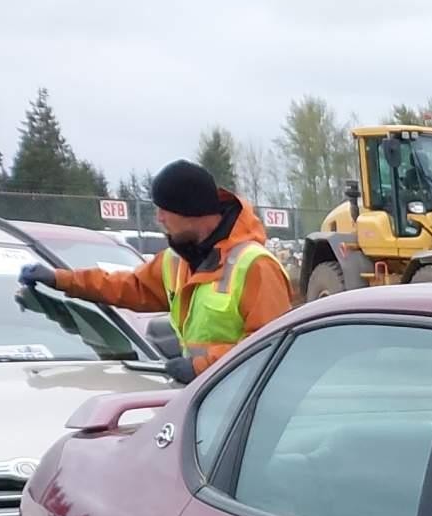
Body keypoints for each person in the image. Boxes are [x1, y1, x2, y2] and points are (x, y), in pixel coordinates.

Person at [18, 160, 292, 378]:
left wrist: (200, 367)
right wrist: (61, 280)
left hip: (246, 406)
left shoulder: (255, 265)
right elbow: (128, 287)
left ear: (192, 210)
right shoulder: (177, 261)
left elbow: (268, 346)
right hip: (207, 397)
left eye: (165, 210)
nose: (159, 218)